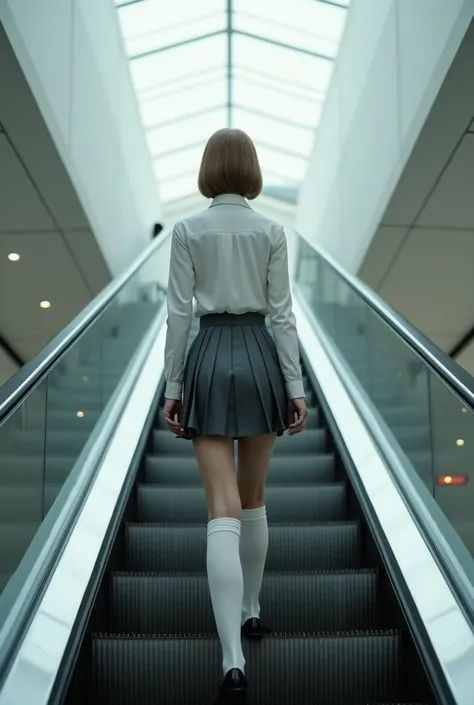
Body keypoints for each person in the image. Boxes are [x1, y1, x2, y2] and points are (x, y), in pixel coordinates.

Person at [163, 128, 307, 705]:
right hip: (261, 356)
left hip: (206, 356)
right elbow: (284, 315)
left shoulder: (186, 230)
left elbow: (178, 313)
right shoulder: (271, 230)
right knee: (254, 496)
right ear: (250, 170)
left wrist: (173, 386)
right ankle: (251, 610)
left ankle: (232, 659)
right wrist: (295, 386)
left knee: (220, 507)